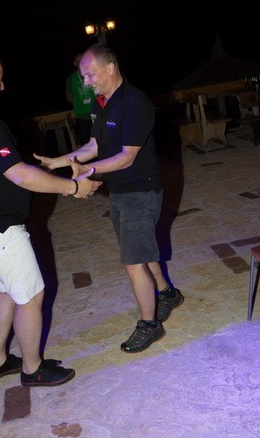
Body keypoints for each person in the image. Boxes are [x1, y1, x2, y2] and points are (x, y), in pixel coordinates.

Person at [0, 50, 102, 387]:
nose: (2, 86)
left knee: (6, 291)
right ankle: (32, 369)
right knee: (30, 296)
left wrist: (50, 171)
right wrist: (73, 188)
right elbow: (19, 175)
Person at [34, 43, 184, 353]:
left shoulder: (134, 102)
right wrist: (58, 162)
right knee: (141, 250)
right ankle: (168, 294)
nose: (86, 82)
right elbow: (93, 146)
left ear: (110, 68)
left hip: (140, 191)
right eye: (83, 77)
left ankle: (150, 325)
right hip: (121, 191)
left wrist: (87, 171)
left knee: (133, 261)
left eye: (90, 75)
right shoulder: (101, 103)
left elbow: (127, 156)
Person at [66, 51, 95, 145]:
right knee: (86, 143)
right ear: (75, 63)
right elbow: (69, 97)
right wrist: (79, 102)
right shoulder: (71, 79)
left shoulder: (93, 74)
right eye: (78, 61)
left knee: (100, 141)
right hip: (81, 116)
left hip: (96, 114)